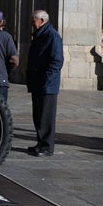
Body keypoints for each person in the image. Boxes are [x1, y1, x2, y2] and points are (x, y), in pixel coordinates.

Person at [26, 10, 63, 157]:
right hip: (38, 82)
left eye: (33, 20)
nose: (31, 23)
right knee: (38, 115)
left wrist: (47, 79)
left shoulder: (52, 35)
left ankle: (47, 146)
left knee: (46, 116)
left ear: (42, 20)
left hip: (47, 84)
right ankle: (40, 143)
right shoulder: (41, 34)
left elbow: (57, 60)